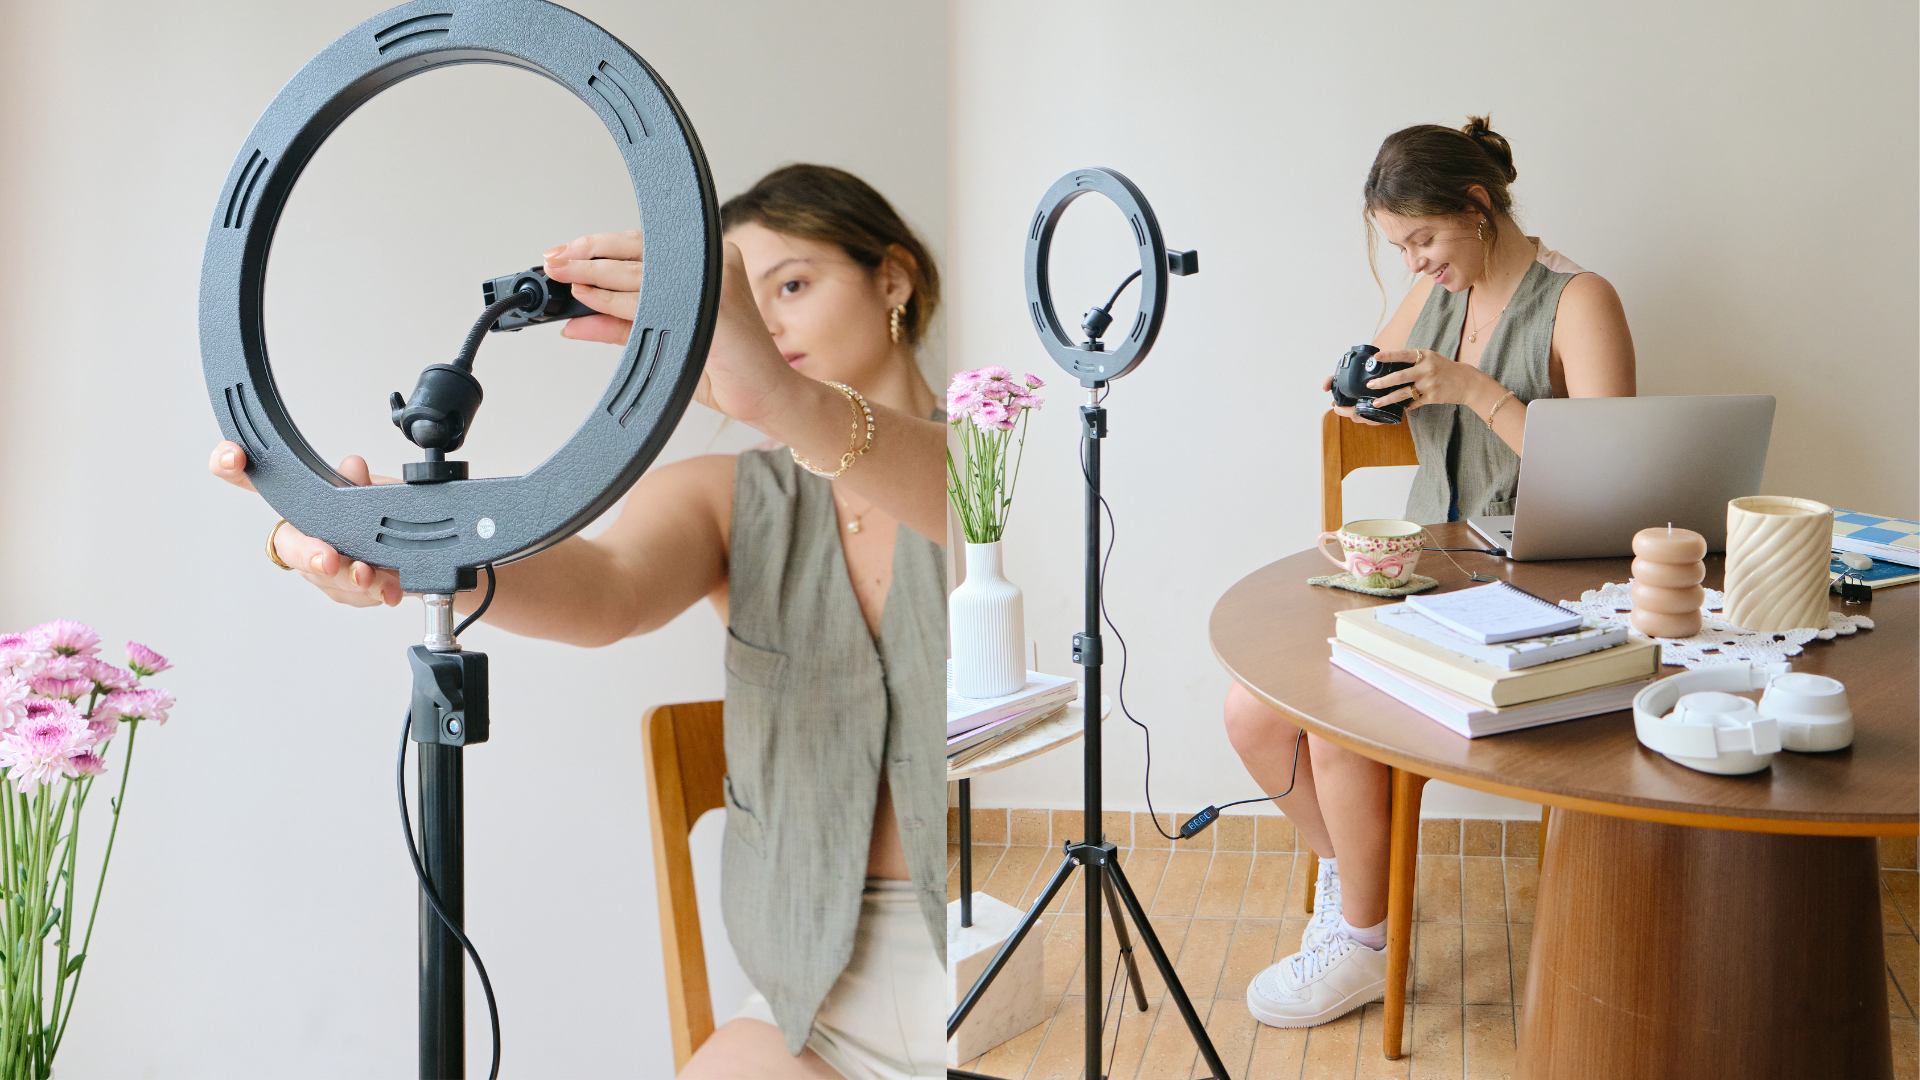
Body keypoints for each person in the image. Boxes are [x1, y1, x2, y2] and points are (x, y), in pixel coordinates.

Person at [208, 164, 947, 1079]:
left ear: (894, 279)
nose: (763, 326)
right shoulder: (731, 499)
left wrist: (786, 405)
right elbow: (605, 588)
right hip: (815, 1001)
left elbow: (982, 503)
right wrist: (398, 528)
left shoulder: (1006, 458)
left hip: (1029, 952)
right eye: (740, 306)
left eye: (790, 286)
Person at [1225, 117, 1635, 1030]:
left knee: (1336, 731)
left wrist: (1479, 391)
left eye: (1423, 239)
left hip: (1544, 583)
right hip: (1430, 567)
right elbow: (1380, 390)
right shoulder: (1438, 298)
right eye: (1399, 245)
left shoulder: (1579, 300)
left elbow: (1613, 478)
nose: (1414, 263)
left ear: (1478, 206)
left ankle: (1367, 946)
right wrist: (1355, 387)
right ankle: (1354, 880)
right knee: (1250, 712)